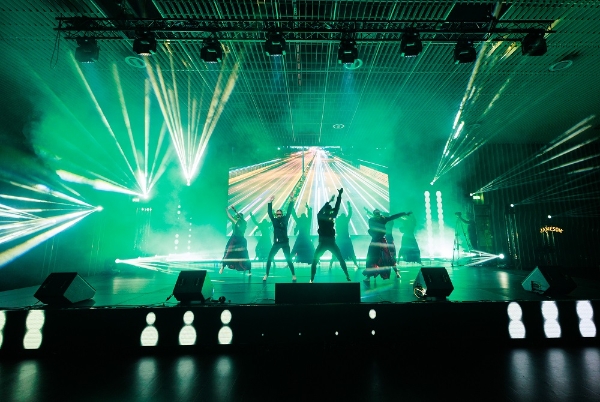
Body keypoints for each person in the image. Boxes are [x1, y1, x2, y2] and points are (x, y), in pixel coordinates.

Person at [310, 188, 351, 283]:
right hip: (331, 242)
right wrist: (339, 195)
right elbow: (337, 207)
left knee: (315, 261)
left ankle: (311, 279)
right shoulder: (331, 216)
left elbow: (324, 210)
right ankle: (347, 275)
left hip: (323, 243)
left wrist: (329, 201)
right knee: (340, 259)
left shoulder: (320, 216)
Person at [363, 208, 411, 281]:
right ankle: (368, 276)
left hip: (382, 240)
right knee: (371, 257)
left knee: (387, 257)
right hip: (375, 241)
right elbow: (372, 229)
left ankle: (396, 272)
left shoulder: (383, 219)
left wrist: (404, 213)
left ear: (380, 214)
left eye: (378, 214)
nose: (378, 215)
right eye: (376, 214)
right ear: (374, 215)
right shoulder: (372, 220)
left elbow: (393, 217)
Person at [263, 195, 296, 282]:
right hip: (277, 243)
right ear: (276, 215)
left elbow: (289, 211)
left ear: (282, 214)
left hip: (285, 243)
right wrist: (270, 202)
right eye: (277, 214)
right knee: (269, 258)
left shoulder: (285, 219)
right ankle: (266, 274)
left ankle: (293, 274)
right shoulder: (274, 220)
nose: (279, 215)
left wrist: (291, 200)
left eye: (280, 214)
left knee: (288, 259)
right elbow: (269, 213)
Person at [220, 205, 251, 274]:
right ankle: (222, 267)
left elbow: (238, 218)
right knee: (228, 252)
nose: (238, 217)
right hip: (234, 238)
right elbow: (229, 217)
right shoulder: (235, 222)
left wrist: (235, 211)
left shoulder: (244, 223)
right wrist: (227, 210)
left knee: (244, 253)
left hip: (241, 240)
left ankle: (249, 269)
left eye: (239, 217)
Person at [330, 200, 359, 269]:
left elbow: (333, 216)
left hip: (339, 238)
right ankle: (356, 264)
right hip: (346, 238)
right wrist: (349, 206)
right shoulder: (345, 220)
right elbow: (350, 214)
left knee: (335, 252)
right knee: (351, 252)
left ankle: (330, 264)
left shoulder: (337, 221)